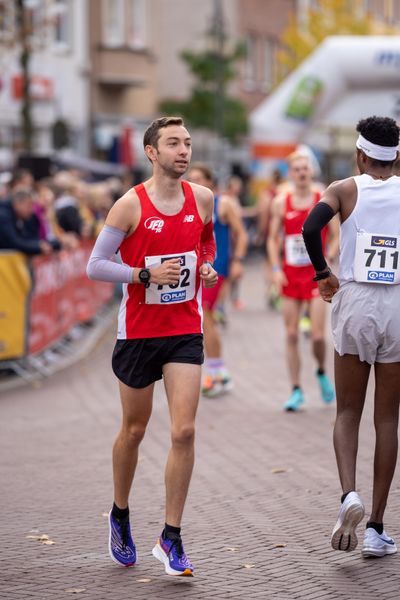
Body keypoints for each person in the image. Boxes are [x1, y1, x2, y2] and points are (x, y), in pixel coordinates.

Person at [86, 117, 218, 576]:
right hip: (139, 333)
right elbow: (96, 265)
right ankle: (120, 514)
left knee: (184, 431)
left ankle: (171, 536)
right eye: (173, 143)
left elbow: (205, 243)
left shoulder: (202, 198)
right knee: (135, 431)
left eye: (187, 142)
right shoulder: (129, 205)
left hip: (184, 329)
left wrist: (205, 267)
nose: (184, 150)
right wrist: (142, 275)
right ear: (151, 151)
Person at [303, 115, 400, 558]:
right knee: (387, 420)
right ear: (396, 156)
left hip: (356, 297)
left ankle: (349, 495)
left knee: (347, 411)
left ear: (360, 155)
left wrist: (324, 274)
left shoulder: (344, 189)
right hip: (397, 304)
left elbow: (309, 228)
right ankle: (377, 528)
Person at [268, 152, 338, 411]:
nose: (301, 173)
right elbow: (272, 239)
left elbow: (334, 235)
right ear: (290, 173)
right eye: (296, 169)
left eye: (305, 168)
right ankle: (296, 389)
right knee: (291, 333)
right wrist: (275, 268)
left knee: (318, 336)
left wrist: (328, 257)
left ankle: (320, 371)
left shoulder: (323, 199)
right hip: (289, 274)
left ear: (311, 171)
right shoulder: (280, 202)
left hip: (316, 276)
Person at [187, 163, 248, 397]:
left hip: (216, 266)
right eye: (191, 180)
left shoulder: (222, 203)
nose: (195, 184)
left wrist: (238, 261)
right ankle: (219, 373)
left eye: (200, 179)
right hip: (195, 268)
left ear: (210, 182)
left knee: (205, 316)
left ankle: (216, 373)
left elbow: (241, 233)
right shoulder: (187, 204)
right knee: (203, 318)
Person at [0, 188, 60, 255]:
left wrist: (49, 244)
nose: (32, 210)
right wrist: (38, 246)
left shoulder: (19, 216)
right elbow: (13, 242)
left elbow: (29, 237)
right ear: (18, 204)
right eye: (29, 205)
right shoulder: (3, 216)